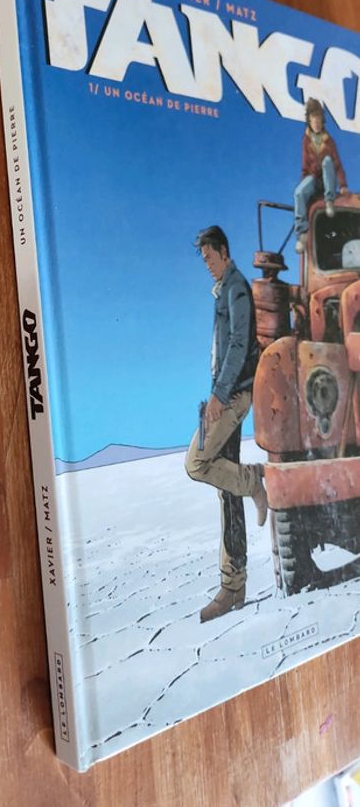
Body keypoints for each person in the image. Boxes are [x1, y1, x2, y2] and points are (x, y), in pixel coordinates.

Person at [185, 225, 268, 623]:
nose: (206, 264)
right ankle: (234, 586)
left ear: (223, 252)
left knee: (196, 463)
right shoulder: (225, 289)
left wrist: (218, 397)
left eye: (209, 257)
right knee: (226, 490)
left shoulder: (236, 288)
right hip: (224, 392)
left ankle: (254, 480)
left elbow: (238, 344)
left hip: (233, 394)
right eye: (203, 259)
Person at [294, 98, 347, 253]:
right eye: (313, 120)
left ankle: (329, 200)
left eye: (318, 120)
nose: (316, 123)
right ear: (309, 121)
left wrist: (342, 185)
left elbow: (337, 164)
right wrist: (305, 187)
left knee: (328, 161)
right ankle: (302, 233)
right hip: (313, 178)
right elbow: (305, 165)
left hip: (327, 180)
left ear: (322, 121)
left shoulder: (329, 141)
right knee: (298, 193)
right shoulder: (306, 140)